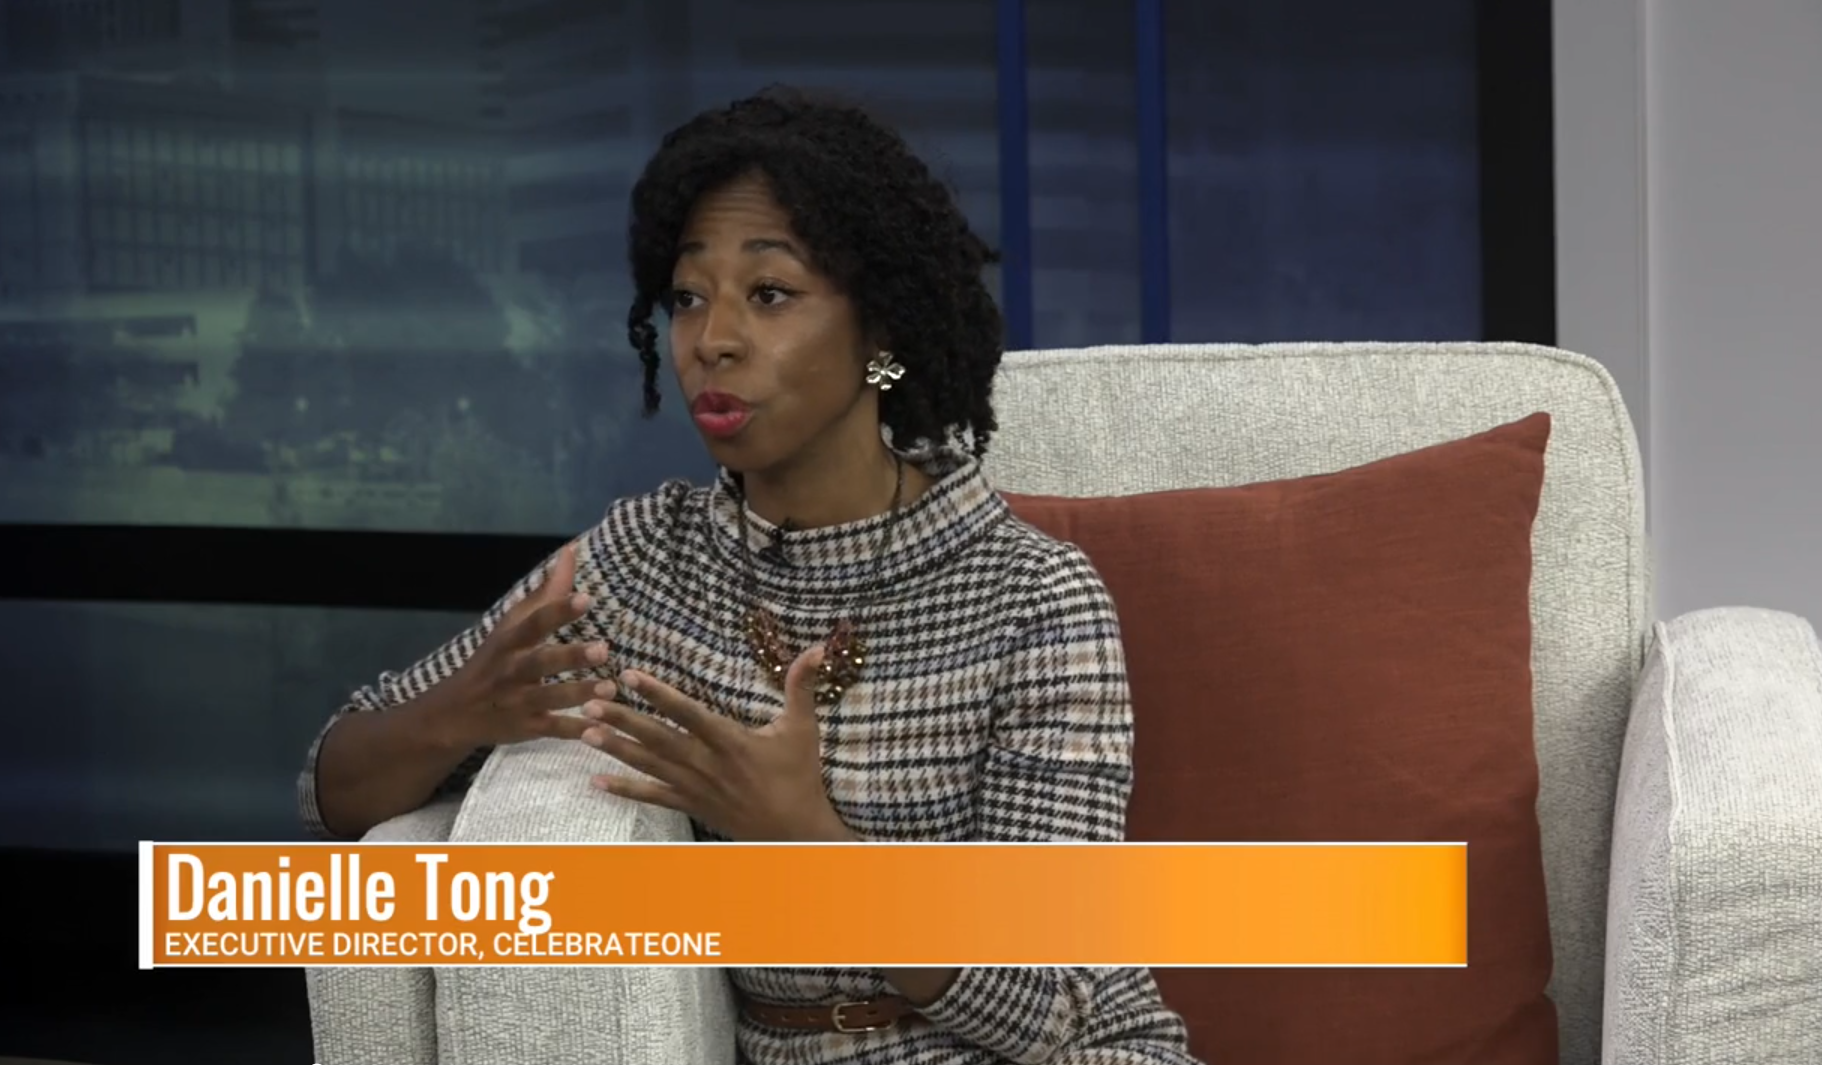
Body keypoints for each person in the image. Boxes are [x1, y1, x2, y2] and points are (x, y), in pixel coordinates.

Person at [298, 86, 1200, 1064]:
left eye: (769, 295)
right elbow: (329, 789)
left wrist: (806, 841)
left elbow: (1052, 1006)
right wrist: (457, 713)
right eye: (688, 297)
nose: (711, 340)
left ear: (881, 332)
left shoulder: (1035, 599)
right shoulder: (644, 563)